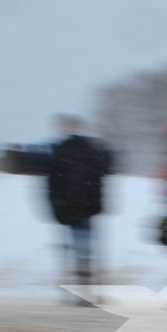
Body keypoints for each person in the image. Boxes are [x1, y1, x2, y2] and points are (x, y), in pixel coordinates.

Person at [45, 114, 112, 295]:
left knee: (75, 244)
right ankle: (85, 277)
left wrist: (56, 205)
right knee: (85, 244)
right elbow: (101, 174)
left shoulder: (60, 151)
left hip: (68, 206)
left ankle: (80, 280)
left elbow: (53, 183)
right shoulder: (91, 150)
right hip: (86, 206)